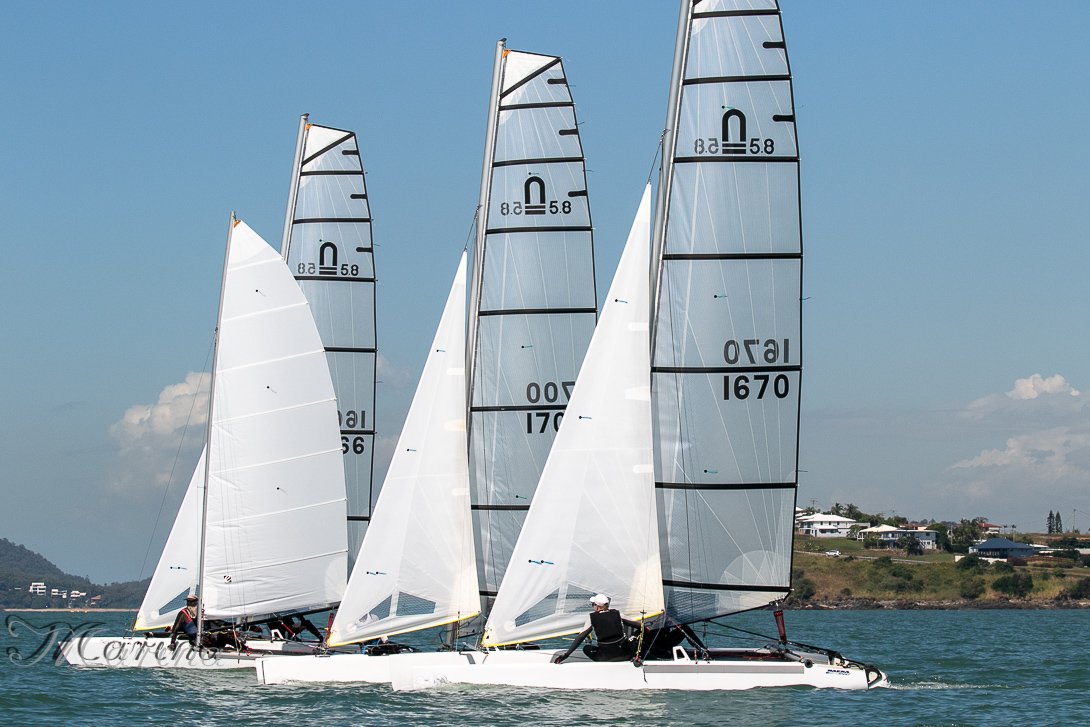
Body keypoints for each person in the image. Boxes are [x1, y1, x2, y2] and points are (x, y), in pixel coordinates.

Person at [552, 594, 646, 663]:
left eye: (593, 605)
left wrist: (566, 655)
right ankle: (644, 656)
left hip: (605, 658)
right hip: (626, 655)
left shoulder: (592, 618)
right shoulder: (617, 614)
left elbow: (580, 637)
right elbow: (642, 627)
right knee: (638, 635)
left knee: (586, 648)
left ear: (597, 606)